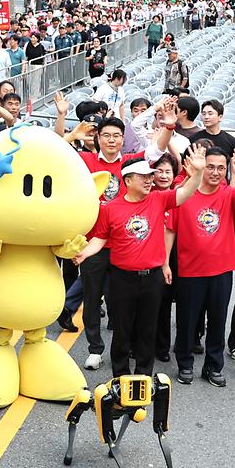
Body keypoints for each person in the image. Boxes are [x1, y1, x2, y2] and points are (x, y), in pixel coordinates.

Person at [73, 151, 206, 378]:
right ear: (127, 181)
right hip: (122, 278)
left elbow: (186, 191)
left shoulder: (158, 199)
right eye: (143, 176)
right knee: (122, 330)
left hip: (152, 277)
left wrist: (200, 170)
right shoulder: (110, 208)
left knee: (147, 329)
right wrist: (83, 253)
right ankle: (121, 376)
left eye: (149, 176)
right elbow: (101, 238)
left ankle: (143, 376)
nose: (149, 180)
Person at [167, 147, 235, 387]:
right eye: (210, 166)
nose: (216, 172)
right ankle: (185, 364)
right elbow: (171, 229)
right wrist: (165, 262)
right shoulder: (183, 194)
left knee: (217, 321)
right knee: (187, 321)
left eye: (221, 167)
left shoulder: (228, 193)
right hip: (190, 270)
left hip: (221, 271)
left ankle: (213, 367)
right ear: (201, 166)